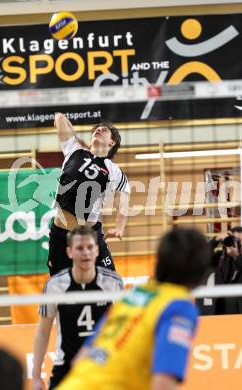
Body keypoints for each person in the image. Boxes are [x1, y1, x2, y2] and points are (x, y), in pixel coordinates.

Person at [57, 228, 211, 390]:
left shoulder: (133, 295)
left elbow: (80, 359)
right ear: (200, 269)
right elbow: (164, 384)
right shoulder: (179, 306)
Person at [32, 225, 124, 390]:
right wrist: (36, 376)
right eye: (79, 248)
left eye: (90, 247)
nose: (86, 252)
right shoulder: (54, 286)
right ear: (69, 252)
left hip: (102, 367)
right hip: (66, 368)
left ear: (97, 250)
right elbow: (42, 332)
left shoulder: (112, 282)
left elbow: (122, 328)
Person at [48, 112, 130, 276]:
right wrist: (80, 141)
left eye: (104, 130)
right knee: (60, 285)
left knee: (109, 284)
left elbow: (125, 197)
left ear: (112, 142)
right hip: (61, 235)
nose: (98, 130)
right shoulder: (74, 149)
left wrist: (119, 228)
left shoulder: (113, 170)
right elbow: (59, 118)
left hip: (90, 237)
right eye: (96, 130)